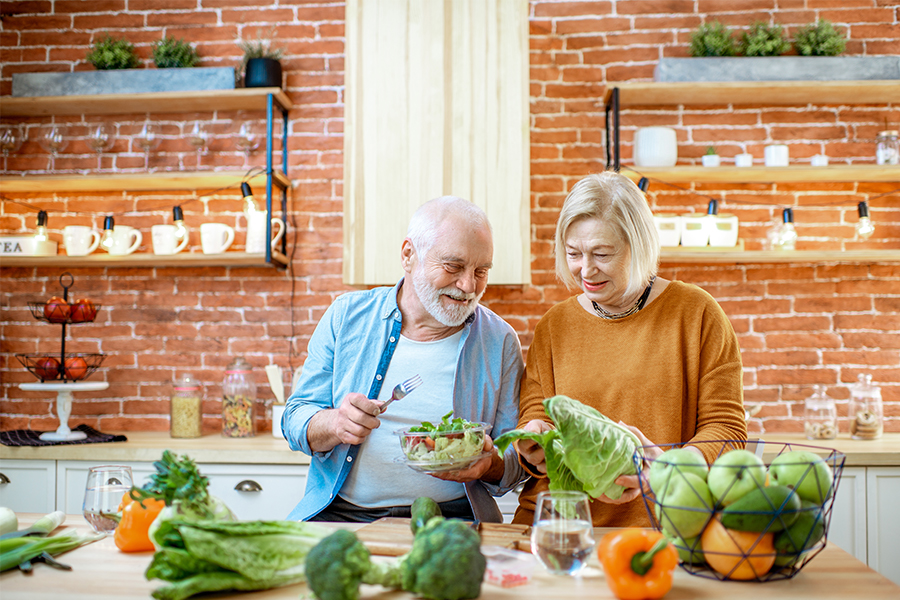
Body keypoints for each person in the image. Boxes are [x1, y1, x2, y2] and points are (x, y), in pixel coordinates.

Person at [513, 170, 747, 527]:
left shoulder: (697, 314)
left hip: (661, 527)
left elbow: (727, 430)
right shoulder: (554, 325)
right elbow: (538, 412)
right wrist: (535, 441)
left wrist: (669, 468)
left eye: (602, 254)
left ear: (638, 246)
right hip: (558, 527)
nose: (585, 270)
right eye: (573, 253)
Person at [282, 195, 526, 523]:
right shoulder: (346, 316)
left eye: (481, 271)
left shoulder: (500, 341)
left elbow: (514, 464)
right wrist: (336, 424)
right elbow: (295, 418)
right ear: (408, 255)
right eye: (453, 266)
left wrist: (491, 463)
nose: (468, 285)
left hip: (454, 519)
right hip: (341, 514)